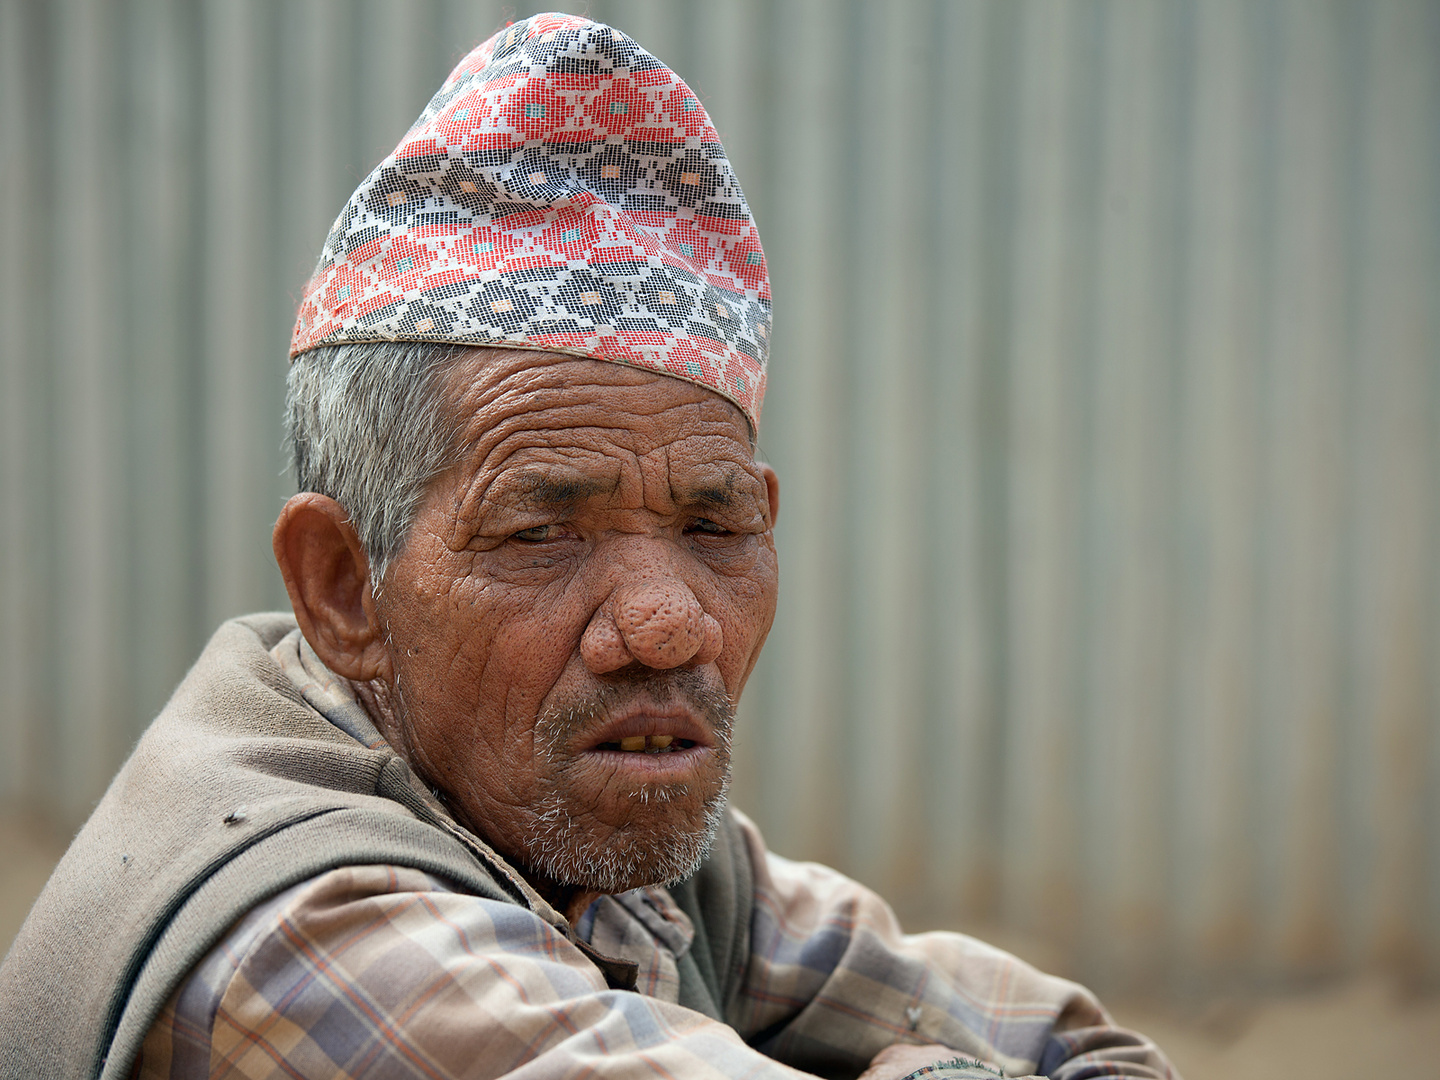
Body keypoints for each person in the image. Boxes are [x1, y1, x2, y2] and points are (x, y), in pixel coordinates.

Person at [0, 14, 1178, 1080]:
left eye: (715, 526)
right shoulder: (309, 931)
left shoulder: (626, 851)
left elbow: (1095, 1054)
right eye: (543, 531)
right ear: (346, 588)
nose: (671, 622)